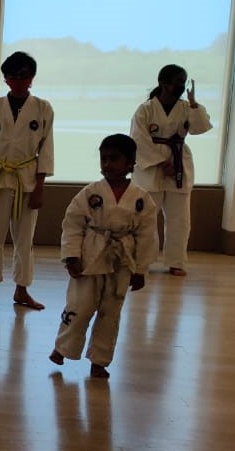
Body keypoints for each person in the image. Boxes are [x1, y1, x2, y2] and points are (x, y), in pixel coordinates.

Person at [50, 134, 159, 378]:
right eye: (104, 159)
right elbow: (72, 225)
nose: (107, 164)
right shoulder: (90, 193)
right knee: (80, 306)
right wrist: (71, 257)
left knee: (111, 313)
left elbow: (147, 236)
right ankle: (62, 347)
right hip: (90, 257)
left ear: (130, 163)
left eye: (114, 159)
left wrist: (140, 270)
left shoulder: (142, 199)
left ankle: (99, 360)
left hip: (122, 261)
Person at [0, 51, 54, 309]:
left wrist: (40, 188)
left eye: (23, 75)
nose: (18, 81)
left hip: (27, 181)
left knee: (25, 239)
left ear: (31, 78)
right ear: (6, 79)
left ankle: (22, 289)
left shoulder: (43, 108)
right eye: (12, 76)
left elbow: (46, 149)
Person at [130, 64, 212, 276]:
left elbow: (201, 128)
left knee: (180, 219)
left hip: (179, 164)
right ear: (163, 83)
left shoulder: (186, 107)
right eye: (177, 82)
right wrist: (161, 162)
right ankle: (143, 261)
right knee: (146, 217)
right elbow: (138, 139)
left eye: (183, 82)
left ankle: (177, 262)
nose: (181, 86)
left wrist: (194, 104)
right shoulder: (146, 109)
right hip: (150, 169)